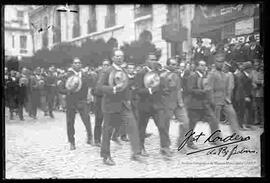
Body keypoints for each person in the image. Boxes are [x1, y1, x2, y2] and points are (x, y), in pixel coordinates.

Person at [97, 49, 142, 165]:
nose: (119, 58)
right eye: (117, 56)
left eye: (121, 56)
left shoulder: (124, 71)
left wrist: (128, 98)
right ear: (113, 58)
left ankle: (136, 153)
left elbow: (126, 87)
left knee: (132, 126)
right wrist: (112, 89)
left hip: (124, 105)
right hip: (110, 105)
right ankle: (106, 156)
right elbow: (99, 87)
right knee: (107, 131)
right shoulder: (107, 71)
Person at [134, 53, 174, 158]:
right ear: (147, 61)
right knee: (141, 128)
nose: (154, 61)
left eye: (155, 59)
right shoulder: (140, 73)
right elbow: (138, 90)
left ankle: (165, 147)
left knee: (162, 125)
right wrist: (150, 90)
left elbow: (161, 86)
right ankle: (140, 147)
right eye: (151, 59)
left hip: (157, 104)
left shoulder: (157, 72)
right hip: (144, 104)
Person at [58, 58, 96, 150]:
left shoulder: (85, 75)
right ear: (72, 65)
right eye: (75, 63)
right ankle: (72, 142)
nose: (77, 64)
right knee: (70, 122)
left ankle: (90, 138)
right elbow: (60, 89)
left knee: (87, 119)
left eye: (79, 63)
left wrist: (89, 95)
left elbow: (90, 86)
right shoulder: (66, 76)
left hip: (82, 100)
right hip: (71, 100)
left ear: (81, 64)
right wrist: (68, 91)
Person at [185, 60, 221, 148]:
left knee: (214, 121)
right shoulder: (193, 76)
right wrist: (203, 92)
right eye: (201, 65)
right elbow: (190, 89)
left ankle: (215, 140)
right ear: (197, 66)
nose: (203, 67)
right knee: (192, 125)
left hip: (205, 104)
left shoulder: (205, 76)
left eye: (204, 65)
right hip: (194, 105)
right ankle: (189, 143)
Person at [206, 52, 242, 134]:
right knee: (215, 120)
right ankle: (215, 138)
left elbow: (227, 88)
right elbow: (208, 89)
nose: (221, 63)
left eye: (222, 62)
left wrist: (227, 98)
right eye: (218, 61)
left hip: (225, 100)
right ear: (215, 62)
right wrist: (211, 102)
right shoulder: (211, 74)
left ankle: (236, 134)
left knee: (232, 115)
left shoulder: (224, 74)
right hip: (215, 100)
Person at [166, 58, 191, 152]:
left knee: (185, 122)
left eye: (175, 64)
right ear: (167, 65)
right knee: (165, 126)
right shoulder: (163, 75)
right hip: (167, 104)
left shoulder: (176, 75)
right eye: (172, 64)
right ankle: (165, 147)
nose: (174, 66)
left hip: (178, 104)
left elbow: (179, 89)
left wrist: (180, 101)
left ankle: (180, 143)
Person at [93, 59, 111, 147]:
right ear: (102, 66)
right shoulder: (98, 76)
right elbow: (94, 90)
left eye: (107, 65)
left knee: (108, 122)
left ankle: (106, 139)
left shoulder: (112, 75)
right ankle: (97, 139)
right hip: (100, 100)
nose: (106, 67)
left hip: (109, 101)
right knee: (99, 120)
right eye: (104, 65)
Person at [234, 61, 254, 130]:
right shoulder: (241, 75)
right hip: (241, 96)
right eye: (250, 68)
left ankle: (248, 124)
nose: (251, 70)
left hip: (248, 95)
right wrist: (245, 96)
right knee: (241, 111)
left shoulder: (248, 75)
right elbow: (240, 87)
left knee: (249, 109)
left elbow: (248, 85)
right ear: (246, 69)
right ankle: (240, 126)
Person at [251, 60, 264, 126]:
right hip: (254, 92)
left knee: (261, 108)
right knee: (255, 107)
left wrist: (257, 82)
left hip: (260, 92)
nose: (257, 66)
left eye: (257, 65)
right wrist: (253, 83)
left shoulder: (261, 72)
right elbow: (250, 80)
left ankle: (262, 121)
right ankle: (256, 120)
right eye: (255, 65)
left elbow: (260, 81)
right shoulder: (252, 72)